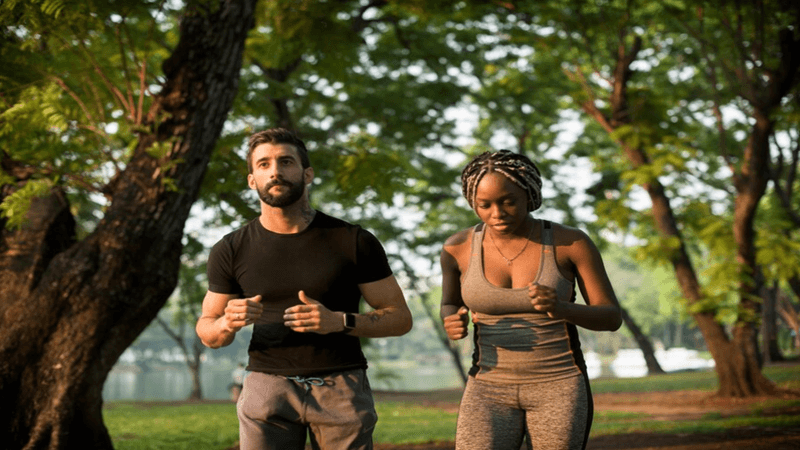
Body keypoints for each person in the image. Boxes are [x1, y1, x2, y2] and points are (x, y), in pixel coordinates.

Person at [196, 128, 413, 450]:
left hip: (341, 385)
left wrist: (340, 322)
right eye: (264, 164)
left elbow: (400, 318)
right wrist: (227, 322)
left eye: (286, 161)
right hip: (265, 387)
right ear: (252, 179)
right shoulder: (230, 249)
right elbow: (208, 329)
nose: (275, 171)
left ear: (307, 173)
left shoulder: (353, 241)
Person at [440, 150, 622, 450]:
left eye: (508, 201)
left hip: (559, 385)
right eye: (484, 205)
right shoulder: (456, 248)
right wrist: (451, 321)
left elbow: (611, 317)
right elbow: (449, 302)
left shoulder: (570, 243)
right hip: (486, 387)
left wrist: (560, 307)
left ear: (529, 195)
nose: (496, 213)